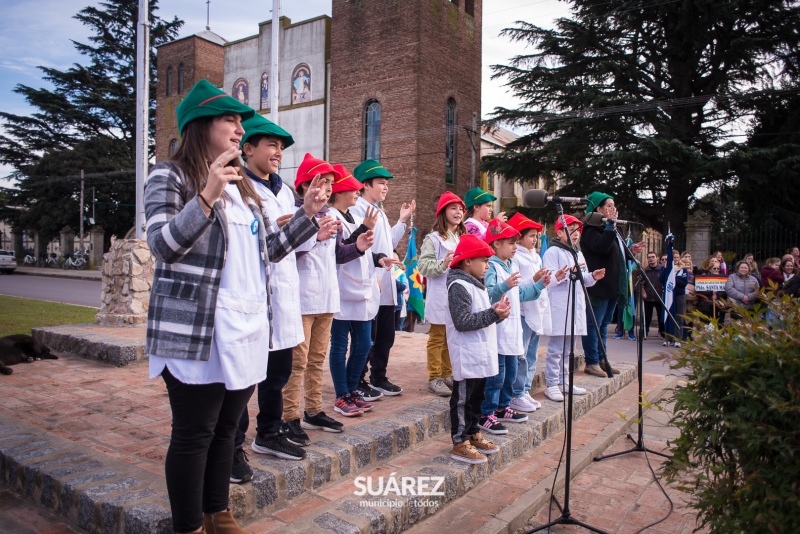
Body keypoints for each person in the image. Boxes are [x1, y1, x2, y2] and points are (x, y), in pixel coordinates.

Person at [144, 80, 324, 533]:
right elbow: (163, 246)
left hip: (244, 328)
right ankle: (189, 525)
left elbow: (271, 249)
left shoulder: (245, 187)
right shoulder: (170, 176)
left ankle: (218, 512)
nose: (239, 129)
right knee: (194, 433)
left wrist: (306, 213)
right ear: (201, 125)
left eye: (240, 121)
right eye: (231, 120)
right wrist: (205, 195)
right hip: (197, 329)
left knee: (228, 427)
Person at [232, 119, 338, 472]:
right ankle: (232, 445)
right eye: (270, 145)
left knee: (277, 372)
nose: (278, 152)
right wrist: (300, 220)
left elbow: (296, 245)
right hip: (256, 295)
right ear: (247, 148)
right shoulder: (239, 187)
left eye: (281, 147)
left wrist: (311, 229)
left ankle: (269, 431)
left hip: (285, 292)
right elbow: (260, 247)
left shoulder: (282, 191)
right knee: (245, 379)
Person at [281, 162, 369, 447]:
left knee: (317, 358)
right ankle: (290, 417)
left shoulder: (332, 214)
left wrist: (358, 248)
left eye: (332, 182)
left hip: (327, 296)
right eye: (323, 181)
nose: (330, 187)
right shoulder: (293, 213)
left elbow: (338, 254)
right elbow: (281, 250)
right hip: (302, 297)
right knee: (298, 361)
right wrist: (314, 236)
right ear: (305, 186)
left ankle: (314, 410)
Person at [328, 172, 397, 416]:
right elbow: (341, 248)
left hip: (362, 288)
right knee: (339, 345)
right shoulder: (331, 216)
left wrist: (380, 259)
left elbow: (364, 251)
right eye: (352, 189)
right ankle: (341, 395)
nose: (357, 193)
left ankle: (351, 388)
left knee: (363, 343)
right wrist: (363, 228)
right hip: (342, 290)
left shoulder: (355, 214)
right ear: (339, 192)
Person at [351, 159, 415, 398]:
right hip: (371, 280)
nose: (385, 187)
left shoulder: (379, 212)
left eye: (387, 183)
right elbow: (360, 246)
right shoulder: (358, 210)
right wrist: (373, 269)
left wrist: (401, 221)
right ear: (365, 185)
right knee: (367, 338)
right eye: (381, 182)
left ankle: (379, 377)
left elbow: (388, 242)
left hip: (386, 281)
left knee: (385, 337)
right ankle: (359, 379)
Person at [445, 234, 510, 464]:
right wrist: (493, 314)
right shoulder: (459, 285)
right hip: (467, 353)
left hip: (481, 353)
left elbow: (482, 318)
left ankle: (472, 431)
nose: (487, 265)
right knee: (463, 398)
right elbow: (463, 321)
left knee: (477, 397)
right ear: (466, 262)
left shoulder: (477, 284)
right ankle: (460, 440)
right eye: (482, 260)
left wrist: (498, 315)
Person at [480, 218, 549, 434]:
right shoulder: (491, 266)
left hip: (512, 329)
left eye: (515, 242)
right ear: (496, 244)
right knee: (496, 375)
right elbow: (488, 293)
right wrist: (504, 285)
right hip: (499, 328)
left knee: (510, 371)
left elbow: (518, 294)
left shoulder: (509, 265)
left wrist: (538, 285)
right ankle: (487, 413)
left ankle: (503, 406)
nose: (514, 246)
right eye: (510, 242)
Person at [580, 192, 644, 377]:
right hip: (598, 286)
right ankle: (591, 362)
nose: (613, 209)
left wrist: (631, 250)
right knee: (594, 324)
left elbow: (618, 253)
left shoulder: (613, 229)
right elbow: (601, 247)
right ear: (598, 209)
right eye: (608, 205)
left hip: (612, 286)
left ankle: (602, 359)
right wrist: (609, 226)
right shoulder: (591, 230)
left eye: (614, 205)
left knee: (604, 324)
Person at [542, 214, 603, 402]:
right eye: (571, 230)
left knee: (569, 349)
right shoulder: (552, 252)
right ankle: (551, 383)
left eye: (578, 230)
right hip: (560, 305)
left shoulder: (577, 252)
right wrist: (570, 273)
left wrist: (593, 276)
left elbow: (582, 278)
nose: (576, 234)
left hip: (575, 305)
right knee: (556, 348)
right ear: (559, 232)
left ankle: (564, 380)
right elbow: (550, 279)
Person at [418, 192, 466, 396]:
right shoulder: (433, 239)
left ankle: (448, 374)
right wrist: (443, 263)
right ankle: (434, 377)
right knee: (437, 338)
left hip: (456, 294)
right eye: (453, 208)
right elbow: (423, 266)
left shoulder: (462, 238)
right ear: (442, 212)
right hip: (439, 295)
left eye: (460, 209)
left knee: (451, 337)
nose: (458, 212)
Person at [507, 213, 550, 414]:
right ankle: (516, 392)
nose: (535, 239)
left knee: (532, 354)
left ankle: (525, 389)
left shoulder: (536, 255)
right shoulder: (516, 258)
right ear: (520, 237)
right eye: (531, 235)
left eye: (536, 236)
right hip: (524, 312)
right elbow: (516, 286)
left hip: (536, 310)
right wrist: (534, 278)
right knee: (521, 354)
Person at [633, 251, 664, 338]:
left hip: (659, 296)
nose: (651, 259)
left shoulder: (662, 269)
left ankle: (662, 331)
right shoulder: (645, 270)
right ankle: (645, 332)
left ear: (657, 258)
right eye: (649, 257)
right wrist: (643, 291)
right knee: (646, 316)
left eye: (653, 257)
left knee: (661, 316)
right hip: (648, 297)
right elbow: (641, 283)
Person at [696, 256, 727, 326]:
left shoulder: (723, 278)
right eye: (714, 268)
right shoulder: (703, 277)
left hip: (719, 305)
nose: (716, 270)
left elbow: (726, 290)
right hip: (706, 304)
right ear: (710, 269)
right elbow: (699, 289)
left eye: (718, 268)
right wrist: (711, 293)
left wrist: (717, 294)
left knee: (719, 324)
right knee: (706, 325)